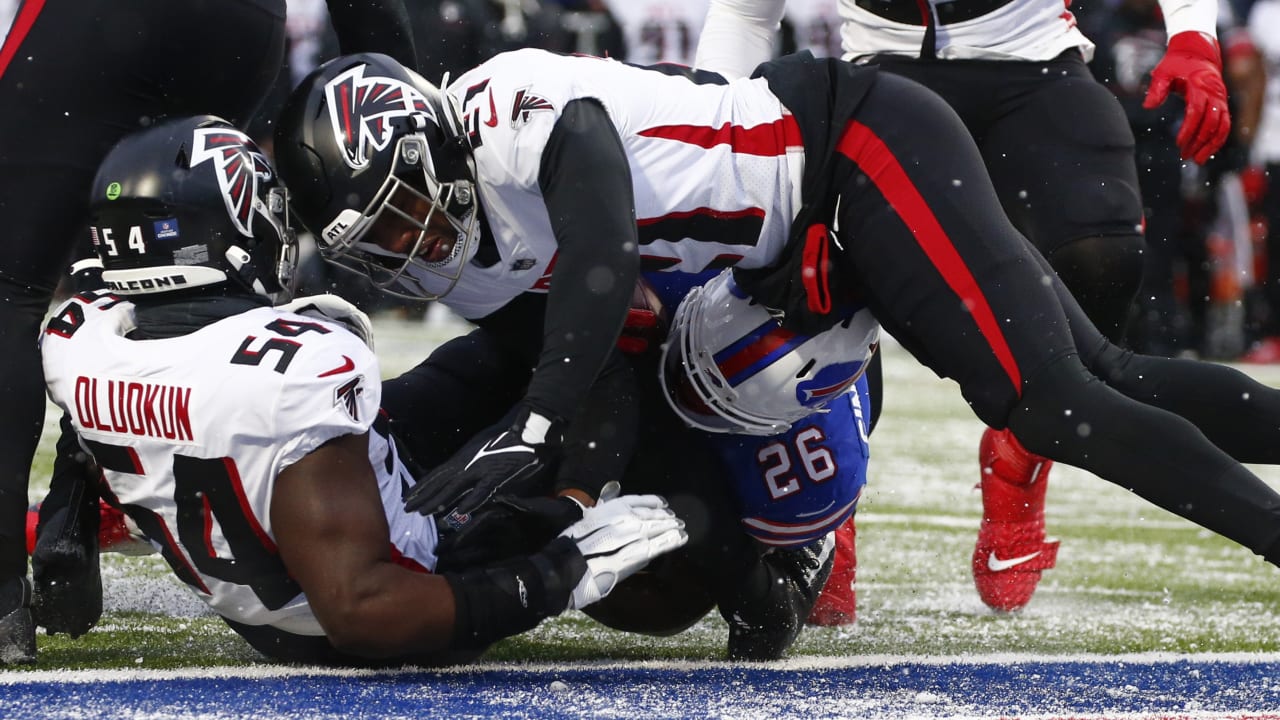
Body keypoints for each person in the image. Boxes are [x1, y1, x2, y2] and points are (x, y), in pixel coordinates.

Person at [272, 49, 1280, 618]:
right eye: (385, 239)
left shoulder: (507, 103)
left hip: (848, 152)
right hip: (787, 258)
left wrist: (531, 424)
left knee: (1049, 404)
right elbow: (587, 364)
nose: (418, 238)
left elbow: (598, 255)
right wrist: (564, 481)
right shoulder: (450, 253)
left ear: (425, 132)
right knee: (1101, 377)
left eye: (408, 201)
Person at [38, 115, 687, 666]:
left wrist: (63, 529)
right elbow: (362, 609)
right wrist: (557, 576)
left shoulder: (80, 337)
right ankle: (619, 524)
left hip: (266, 601)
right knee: (598, 381)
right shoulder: (297, 369)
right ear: (236, 229)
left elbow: (100, 432)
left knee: (490, 363)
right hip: (385, 608)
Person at [692, 0, 1234, 613]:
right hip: (883, 68)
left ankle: (1022, 451)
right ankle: (824, 510)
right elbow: (745, 15)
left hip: (1031, 60)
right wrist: (721, 123)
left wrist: (1193, 34)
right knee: (821, 278)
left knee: (1103, 259)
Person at [0, 0, 420, 664]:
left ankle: (6, 597)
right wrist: (392, 70)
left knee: (11, 293)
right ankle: (76, 496)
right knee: (178, 251)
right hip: (241, 26)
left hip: (90, 22)